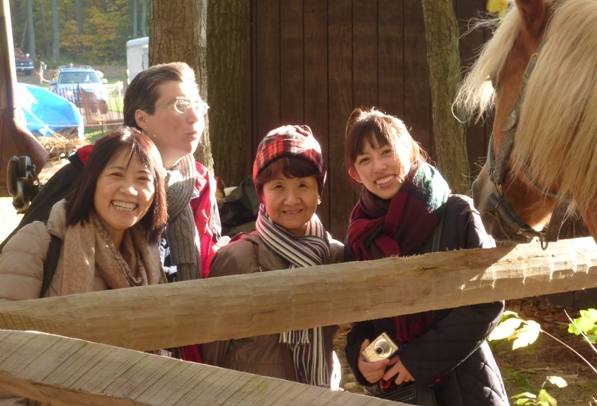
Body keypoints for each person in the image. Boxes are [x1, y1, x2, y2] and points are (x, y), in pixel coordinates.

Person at [343, 108, 509, 406]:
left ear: (410, 151)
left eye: (386, 152)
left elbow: (488, 300)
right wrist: (365, 360)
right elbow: (371, 324)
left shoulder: (457, 213)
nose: (378, 167)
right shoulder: (360, 236)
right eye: (365, 159)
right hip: (399, 390)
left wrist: (417, 360)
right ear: (355, 173)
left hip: (467, 382)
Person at [2, 62, 225, 284]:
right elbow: (19, 261)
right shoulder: (87, 170)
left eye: (198, 106)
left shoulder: (199, 184)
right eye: (180, 105)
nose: (195, 117)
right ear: (142, 119)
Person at [0, 128, 167, 405]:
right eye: (116, 175)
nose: (130, 189)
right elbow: (5, 352)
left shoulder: (148, 257)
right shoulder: (40, 242)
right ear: (92, 181)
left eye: (143, 179)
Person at [200, 125, 343, 390]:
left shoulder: (333, 255)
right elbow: (210, 353)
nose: (291, 199)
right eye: (278, 186)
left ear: (319, 192)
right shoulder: (237, 259)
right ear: (261, 194)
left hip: (320, 394)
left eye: (303, 185)